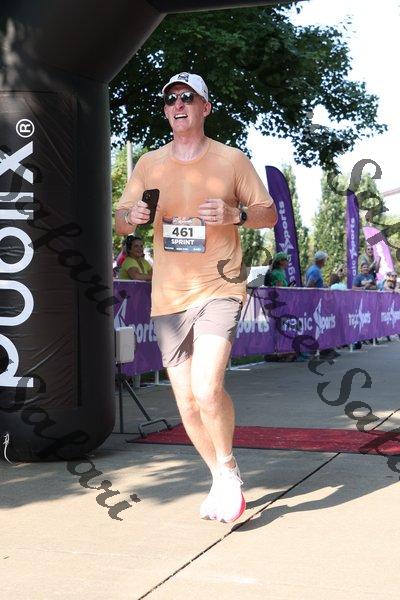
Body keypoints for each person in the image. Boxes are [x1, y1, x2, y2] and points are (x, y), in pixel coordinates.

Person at [114, 72, 277, 523]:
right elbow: (121, 222)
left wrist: (235, 214)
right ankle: (220, 475)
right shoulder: (149, 164)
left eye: (188, 97)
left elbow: (268, 214)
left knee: (207, 388)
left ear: (205, 107)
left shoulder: (231, 160)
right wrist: (134, 215)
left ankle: (228, 468)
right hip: (169, 297)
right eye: (170, 99)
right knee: (186, 402)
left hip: (220, 287)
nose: (178, 104)